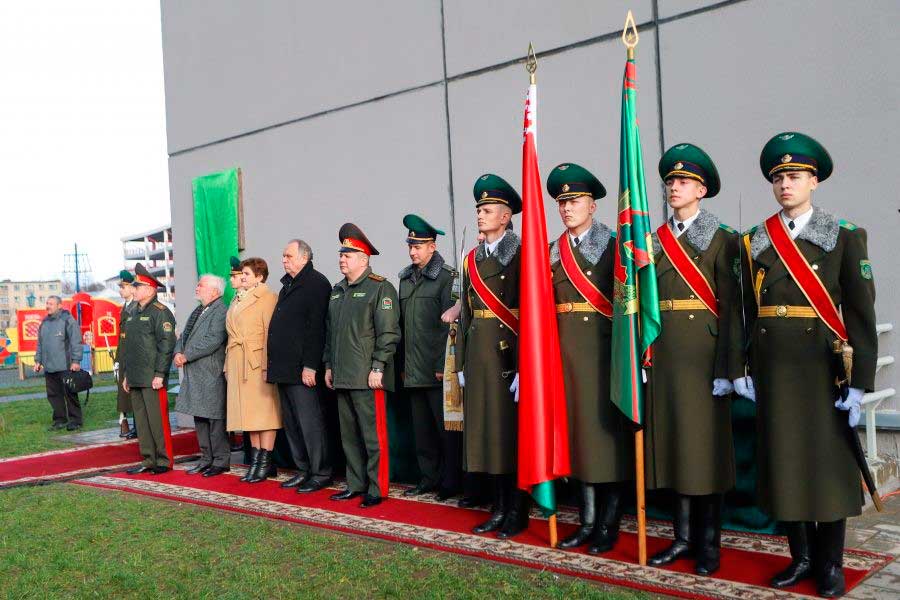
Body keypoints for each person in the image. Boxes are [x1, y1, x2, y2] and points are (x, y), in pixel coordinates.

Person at [739, 132, 877, 597]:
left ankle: (831, 563)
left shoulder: (844, 236)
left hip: (821, 371)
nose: (785, 184)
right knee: (784, 464)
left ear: (814, 181)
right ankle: (799, 558)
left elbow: (860, 317)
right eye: (778, 178)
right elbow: (744, 309)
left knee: (825, 465)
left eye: (795, 176)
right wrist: (744, 369)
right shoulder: (756, 239)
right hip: (773, 370)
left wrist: (859, 384)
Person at [643, 144, 743, 576]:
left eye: (682, 182)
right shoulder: (653, 241)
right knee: (674, 449)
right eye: (669, 182)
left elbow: (733, 310)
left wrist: (729, 368)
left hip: (704, 360)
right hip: (665, 358)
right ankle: (681, 537)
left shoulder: (725, 239)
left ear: (701, 189)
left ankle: (708, 544)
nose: (673, 187)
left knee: (705, 453)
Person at [545, 163, 633, 554]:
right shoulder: (551, 251)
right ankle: (586, 521)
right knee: (579, 443)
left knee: (605, 445)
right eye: (562, 202)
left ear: (593, 205)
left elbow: (629, 306)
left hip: (603, 359)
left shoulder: (616, 246)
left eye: (575, 200)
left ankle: (608, 525)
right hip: (566, 361)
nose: (566, 208)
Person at [456, 174, 529, 539]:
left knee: (509, 436)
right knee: (487, 435)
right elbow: (466, 314)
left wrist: (524, 365)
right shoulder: (471, 259)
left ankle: (517, 509)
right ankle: (498, 507)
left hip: (508, 358)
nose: (480, 215)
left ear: (505, 216)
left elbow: (530, 313)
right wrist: (461, 363)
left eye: (487, 210)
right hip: (479, 357)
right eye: (479, 210)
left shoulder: (522, 253)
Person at [324, 223, 400, 508]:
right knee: (349, 437)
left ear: (364, 259)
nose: (342, 258)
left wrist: (378, 366)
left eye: (349, 253)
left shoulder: (380, 288)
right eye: (341, 253)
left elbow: (389, 333)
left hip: (367, 376)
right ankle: (355, 485)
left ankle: (377, 489)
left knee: (372, 436)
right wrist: (329, 365)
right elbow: (330, 334)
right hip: (343, 375)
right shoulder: (337, 291)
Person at [398, 214, 460, 499]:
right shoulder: (405, 279)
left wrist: (442, 365)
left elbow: (450, 326)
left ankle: (450, 483)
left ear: (432, 247)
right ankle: (428, 478)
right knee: (421, 433)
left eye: (418, 246)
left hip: (437, 370)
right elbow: (403, 326)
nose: (413, 251)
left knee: (444, 433)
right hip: (413, 369)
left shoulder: (447, 277)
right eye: (411, 246)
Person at [267, 239, 333, 493]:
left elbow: (316, 329)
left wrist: (310, 366)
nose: (284, 260)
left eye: (288, 255)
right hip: (284, 369)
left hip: (302, 370)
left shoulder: (316, 283)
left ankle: (320, 472)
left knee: (310, 423)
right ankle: (303, 469)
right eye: (283, 256)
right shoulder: (288, 285)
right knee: (293, 425)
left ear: (304, 258)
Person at [225, 257, 281, 483]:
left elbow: (270, 334)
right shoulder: (237, 299)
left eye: (247, 274)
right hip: (239, 362)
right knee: (249, 416)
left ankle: (265, 461)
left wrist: (268, 365)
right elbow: (231, 335)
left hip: (257, 363)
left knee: (264, 414)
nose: (242, 277)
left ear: (259, 277)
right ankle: (257, 460)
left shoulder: (268, 297)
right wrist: (228, 364)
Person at [120, 264, 177, 474]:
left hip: (152, 377)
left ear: (150, 289)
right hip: (135, 376)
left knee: (157, 421)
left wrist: (160, 374)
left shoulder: (160, 312)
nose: (133, 290)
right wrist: (126, 375)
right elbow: (129, 347)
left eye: (138, 286)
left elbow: (166, 345)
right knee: (142, 422)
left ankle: (163, 460)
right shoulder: (132, 311)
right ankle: (148, 459)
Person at [174, 275, 229, 477]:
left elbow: (213, 339)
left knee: (215, 419)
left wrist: (186, 355)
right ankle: (206, 459)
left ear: (214, 291)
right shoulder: (198, 310)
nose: (197, 287)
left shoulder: (220, 310)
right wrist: (178, 352)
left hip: (211, 373)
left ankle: (220, 461)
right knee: (200, 418)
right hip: (196, 373)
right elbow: (184, 336)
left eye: (201, 285)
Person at [34, 295, 83, 431]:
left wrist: (76, 361)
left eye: (51, 303)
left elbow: (76, 341)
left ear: (59, 305)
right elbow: (40, 344)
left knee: (70, 394)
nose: (47, 306)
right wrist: (38, 360)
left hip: (66, 366)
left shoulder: (68, 320)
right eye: (47, 303)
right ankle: (60, 420)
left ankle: (76, 420)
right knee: (54, 395)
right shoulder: (44, 323)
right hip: (49, 368)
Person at [115, 270, 139, 438]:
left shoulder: (136, 307)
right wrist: (117, 359)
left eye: (123, 287)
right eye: (120, 287)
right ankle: (133, 427)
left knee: (135, 394)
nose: (121, 290)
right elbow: (121, 337)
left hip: (134, 355)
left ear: (132, 288)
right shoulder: (125, 307)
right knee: (126, 393)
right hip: (124, 355)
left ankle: (138, 428)